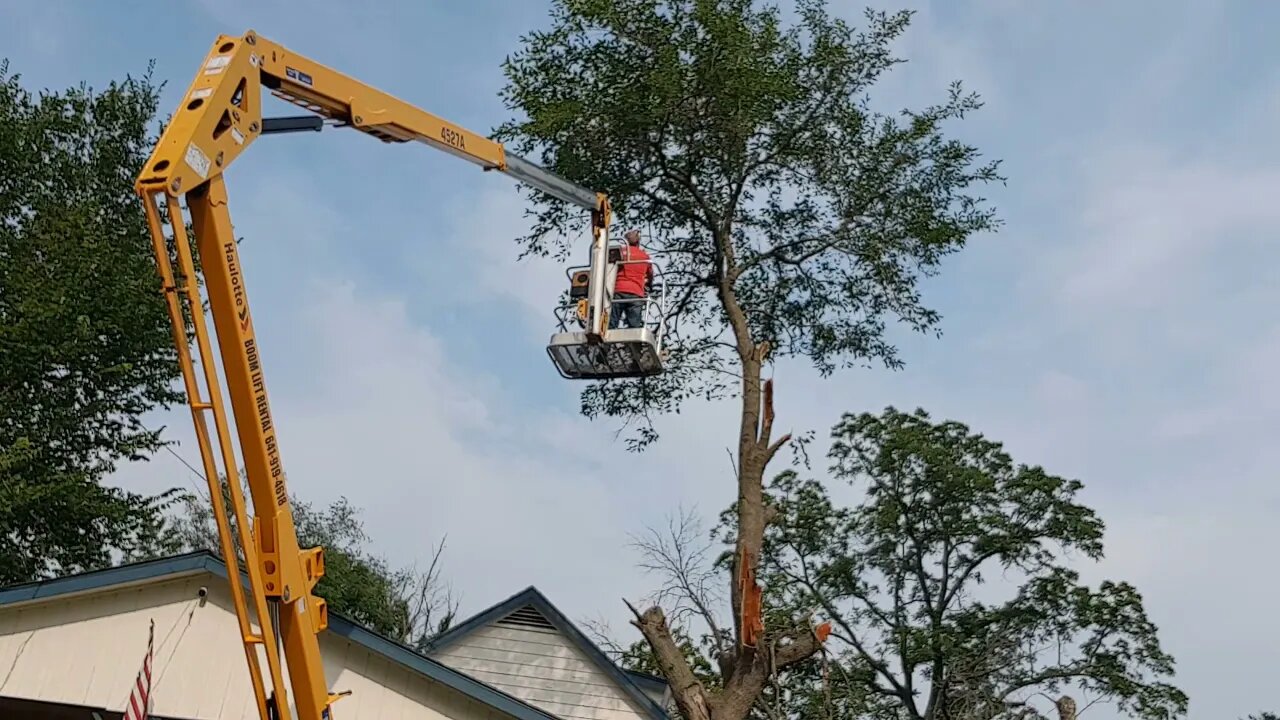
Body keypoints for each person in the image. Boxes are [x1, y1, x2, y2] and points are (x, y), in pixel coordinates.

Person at [609, 229, 653, 329]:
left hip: (618, 290)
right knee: (634, 325)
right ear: (638, 241)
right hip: (636, 292)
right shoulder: (645, 256)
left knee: (612, 323)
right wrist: (649, 285)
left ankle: (607, 341)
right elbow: (650, 275)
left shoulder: (620, 252)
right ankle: (634, 341)